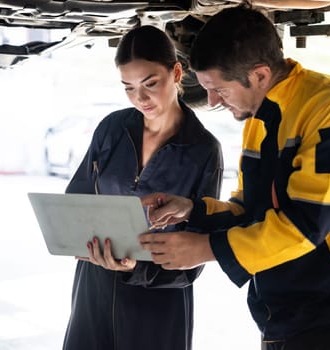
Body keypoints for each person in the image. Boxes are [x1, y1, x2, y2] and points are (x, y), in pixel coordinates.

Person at [140, 4, 330, 350]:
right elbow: (249, 210)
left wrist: (205, 248)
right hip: (284, 311)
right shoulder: (259, 118)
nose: (212, 101)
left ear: (259, 75)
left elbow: (304, 226)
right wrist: (192, 210)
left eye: (219, 89)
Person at [62, 25, 223, 350]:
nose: (141, 98)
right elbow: (76, 200)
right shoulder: (112, 128)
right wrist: (75, 237)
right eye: (129, 88)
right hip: (94, 289)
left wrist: (137, 267)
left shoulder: (203, 149)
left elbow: (199, 251)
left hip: (158, 303)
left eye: (151, 84)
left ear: (176, 73)